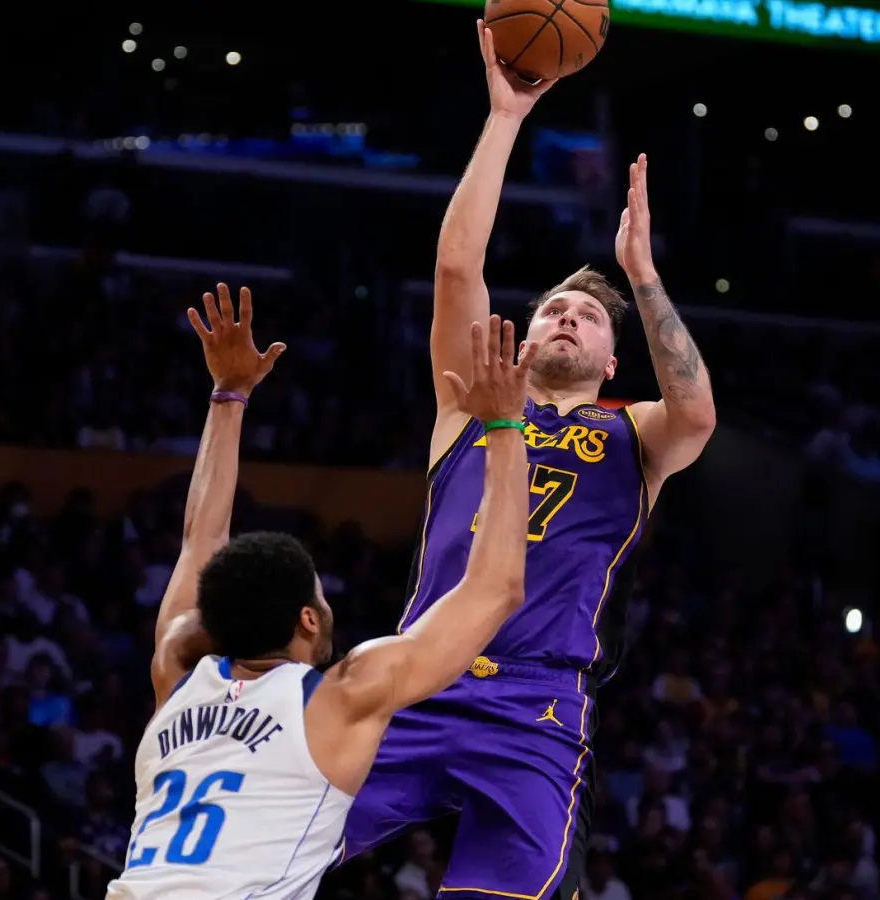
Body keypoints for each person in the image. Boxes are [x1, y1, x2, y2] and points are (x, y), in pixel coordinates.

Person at [337, 21, 719, 897]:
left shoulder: (636, 435)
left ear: (612, 361)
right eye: (551, 309)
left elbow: (697, 409)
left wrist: (641, 274)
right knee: (269, 843)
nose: (563, 319)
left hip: (537, 704)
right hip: (420, 672)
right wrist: (506, 116)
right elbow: (454, 268)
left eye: (585, 319)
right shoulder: (471, 403)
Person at [104, 284, 540, 900]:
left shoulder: (177, 670)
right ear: (308, 620)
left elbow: (199, 541)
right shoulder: (342, 697)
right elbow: (496, 588)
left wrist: (228, 395)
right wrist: (503, 425)